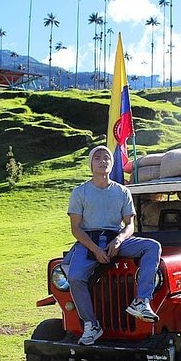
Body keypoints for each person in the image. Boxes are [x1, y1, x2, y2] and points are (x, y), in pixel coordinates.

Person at [63, 145, 162, 345]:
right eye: (97, 158)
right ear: (91, 164)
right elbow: (76, 229)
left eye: (106, 158)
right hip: (89, 241)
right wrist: (95, 249)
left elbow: (130, 225)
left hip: (115, 238)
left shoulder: (122, 191)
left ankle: (141, 301)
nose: (103, 161)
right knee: (75, 277)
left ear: (112, 163)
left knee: (152, 246)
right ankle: (91, 324)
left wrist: (119, 240)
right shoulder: (80, 192)